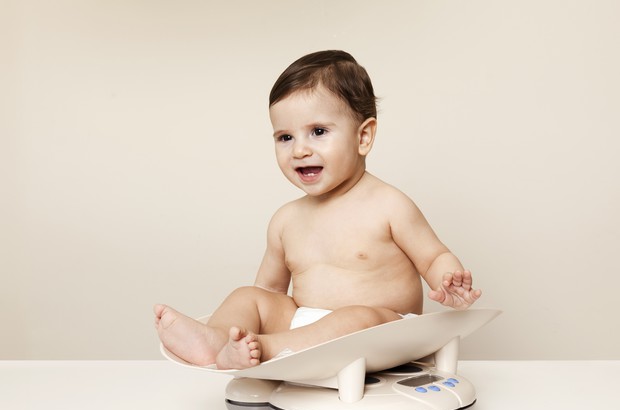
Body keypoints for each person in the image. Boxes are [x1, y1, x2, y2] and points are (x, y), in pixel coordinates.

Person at [154, 50, 481, 370]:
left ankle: (264, 349)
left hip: (383, 331)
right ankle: (217, 341)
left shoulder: (389, 205)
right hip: (305, 330)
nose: (299, 150)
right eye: (285, 137)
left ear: (363, 137)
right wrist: (257, 311)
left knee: (355, 317)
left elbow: (433, 257)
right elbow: (269, 291)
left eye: (318, 132)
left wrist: (448, 281)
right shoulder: (285, 220)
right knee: (247, 296)